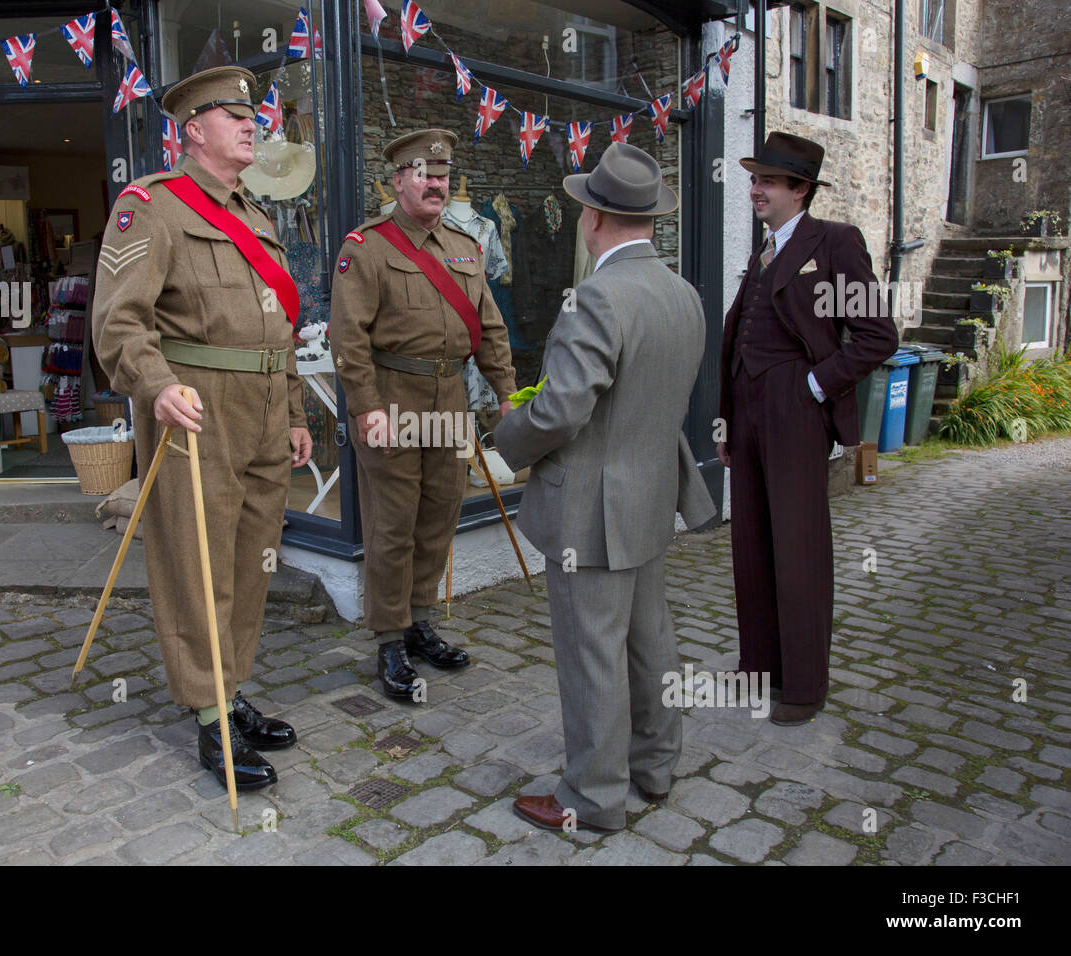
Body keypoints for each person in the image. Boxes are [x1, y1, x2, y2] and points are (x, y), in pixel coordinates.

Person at [92, 66, 312, 790]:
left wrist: (294, 413)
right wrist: (155, 388)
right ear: (193, 129)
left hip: (262, 406)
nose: (254, 125)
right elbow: (119, 324)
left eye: (254, 117)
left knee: (253, 558)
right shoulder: (150, 208)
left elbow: (278, 327)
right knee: (199, 560)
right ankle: (208, 712)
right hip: (196, 402)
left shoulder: (257, 214)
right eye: (234, 115)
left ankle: (232, 686)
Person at [493, 143, 715, 832]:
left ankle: (591, 798)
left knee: (592, 655)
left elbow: (561, 411)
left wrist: (508, 437)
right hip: (651, 498)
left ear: (593, 216)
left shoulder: (596, 296)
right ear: (648, 218)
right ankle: (654, 768)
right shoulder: (683, 294)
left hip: (591, 508)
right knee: (650, 641)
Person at [717, 132, 898, 726]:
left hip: (795, 413)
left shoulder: (836, 242)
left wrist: (814, 388)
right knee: (751, 546)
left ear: (801, 190)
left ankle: (803, 684)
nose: (755, 189)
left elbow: (877, 336)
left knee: (798, 549)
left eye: (767, 181)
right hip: (746, 414)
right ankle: (758, 668)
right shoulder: (765, 248)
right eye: (753, 178)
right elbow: (741, 334)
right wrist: (726, 421)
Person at [328, 129, 516, 700]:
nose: (436, 183)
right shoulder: (366, 247)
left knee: (440, 514)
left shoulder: (465, 246)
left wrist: (507, 393)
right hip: (392, 398)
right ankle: (389, 637)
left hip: (450, 399)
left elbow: (489, 328)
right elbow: (348, 339)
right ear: (398, 181)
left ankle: (419, 620)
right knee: (393, 522)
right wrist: (365, 409)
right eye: (423, 174)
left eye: (442, 174)